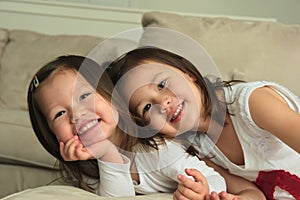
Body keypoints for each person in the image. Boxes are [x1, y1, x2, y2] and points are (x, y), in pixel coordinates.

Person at [107, 46, 300, 200]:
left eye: (162, 84)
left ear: (187, 72)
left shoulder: (252, 103)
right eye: (147, 107)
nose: (163, 103)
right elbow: (253, 194)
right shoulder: (196, 147)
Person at [27, 55, 228, 199]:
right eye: (59, 114)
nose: (77, 115)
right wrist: (106, 153)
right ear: (50, 133)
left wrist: (201, 188)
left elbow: (214, 178)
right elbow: (118, 197)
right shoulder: (84, 168)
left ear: (111, 96)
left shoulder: (156, 150)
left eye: (84, 96)